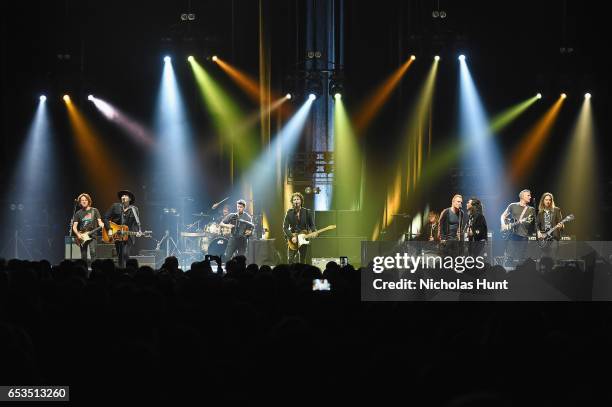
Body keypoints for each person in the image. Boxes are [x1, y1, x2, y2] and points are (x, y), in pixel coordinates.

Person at [104, 190, 142, 268]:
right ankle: (121, 272)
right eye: (122, 196)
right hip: (117, 235)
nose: (123, 197)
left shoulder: (134, 209)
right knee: (120, 255)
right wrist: (109, 229)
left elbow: (136, 223)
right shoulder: (115, 206)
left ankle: (129, 270)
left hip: (129, 236)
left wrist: (138, 231)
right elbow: (105, 218)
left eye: (125, 196)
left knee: (125, 253)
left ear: (130, 199)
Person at [500, 189, 536, 267]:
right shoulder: (512, 205)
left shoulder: (531, 209)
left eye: (530, 195)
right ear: (522, 196)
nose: (530, 197)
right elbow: (503, 216)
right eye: (528, 195)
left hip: (523, 236)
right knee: (509, 259)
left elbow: (530, 222)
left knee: (521, 260)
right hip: (512, 235)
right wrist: (503, 224)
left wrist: (525, 221)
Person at [283, 192, 317, 264]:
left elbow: (312, 225)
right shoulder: (289, 212)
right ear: (292, 202)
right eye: (294, 199)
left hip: (304, 237)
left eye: (298, 199)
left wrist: (314, 231)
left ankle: (301, 273)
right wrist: (292, 237)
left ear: (301, 201)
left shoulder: (307, 212)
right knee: (290, 259)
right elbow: (285, 227)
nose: (296, 201)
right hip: (293, 239)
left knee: (302, 259)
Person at [72, 193, 104, 265]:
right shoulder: (78, 213)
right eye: (82, 200)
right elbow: (74, 226)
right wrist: (78, 234)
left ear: (89, 201)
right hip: (82, 236)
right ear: (80, 202)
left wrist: (101, 224)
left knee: (93, 252)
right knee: (83, 256)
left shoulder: (94, 211)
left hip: (93, 236)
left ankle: (95, 269)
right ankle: (84, 271)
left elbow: (99, 221)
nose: (84, 201)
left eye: (85, 200)